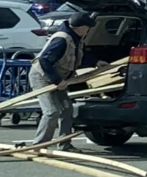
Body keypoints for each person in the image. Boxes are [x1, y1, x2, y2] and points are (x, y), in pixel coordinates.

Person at [17, 12, 95, 150]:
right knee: (52, 111)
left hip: (58, 77)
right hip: (42, 76)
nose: (88, 30)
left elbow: (78, 56)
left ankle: (64, 144)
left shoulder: (75, 39)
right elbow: (44, 61)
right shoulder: (62, 39)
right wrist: (57, 81)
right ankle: (40, 145)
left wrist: (97, 62)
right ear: (81, 27)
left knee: (67, 109)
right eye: (88, 27)